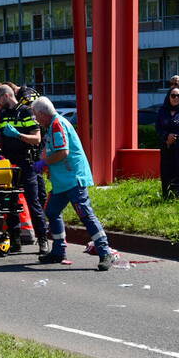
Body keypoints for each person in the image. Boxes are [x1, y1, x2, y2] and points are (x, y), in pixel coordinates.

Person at [31, 96, 120, 270]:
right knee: (52, 211)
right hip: (63, 181)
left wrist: (44, 163)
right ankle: (58, 251)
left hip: (73, 179)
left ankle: (105, 252)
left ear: (42, 113)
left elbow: (63, 152)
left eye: (36, 115)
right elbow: (53, 150)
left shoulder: (57, 124)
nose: (36, 119)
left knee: (85, 214)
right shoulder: (53, 125)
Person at [0, 84, 50, 254]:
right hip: (8, 164)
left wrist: (18, 135)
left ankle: (43, 241)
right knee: (9, 204)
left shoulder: (26, 111)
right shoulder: (4, 114)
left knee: (33, 203)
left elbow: (36, 138)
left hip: (26, 163)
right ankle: (15, 240)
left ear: (5, 96)